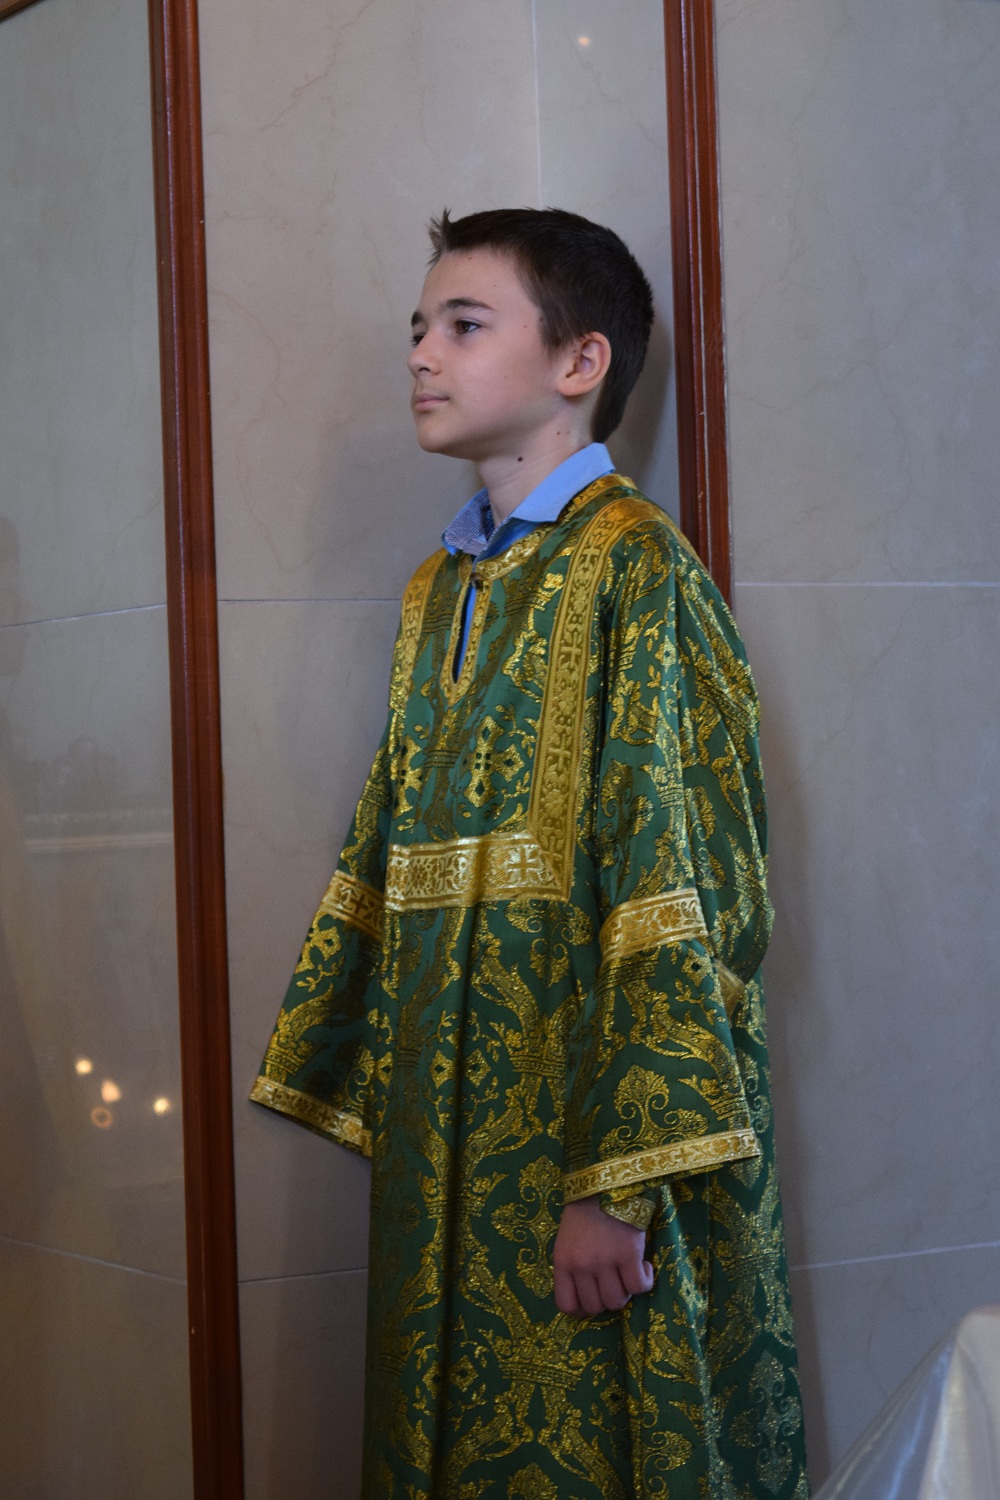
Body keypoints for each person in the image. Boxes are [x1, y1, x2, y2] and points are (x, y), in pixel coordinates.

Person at [252, 207, 809, 1499]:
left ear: (579, 360)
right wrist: (359, 1054)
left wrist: (615, 1184)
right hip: (445, 1136)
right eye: (417, 328)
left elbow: (687, 874)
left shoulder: (639, 569)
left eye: (463, 324)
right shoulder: (436, 591)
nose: (420, 355)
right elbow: (390, 831)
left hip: (591, 1149)